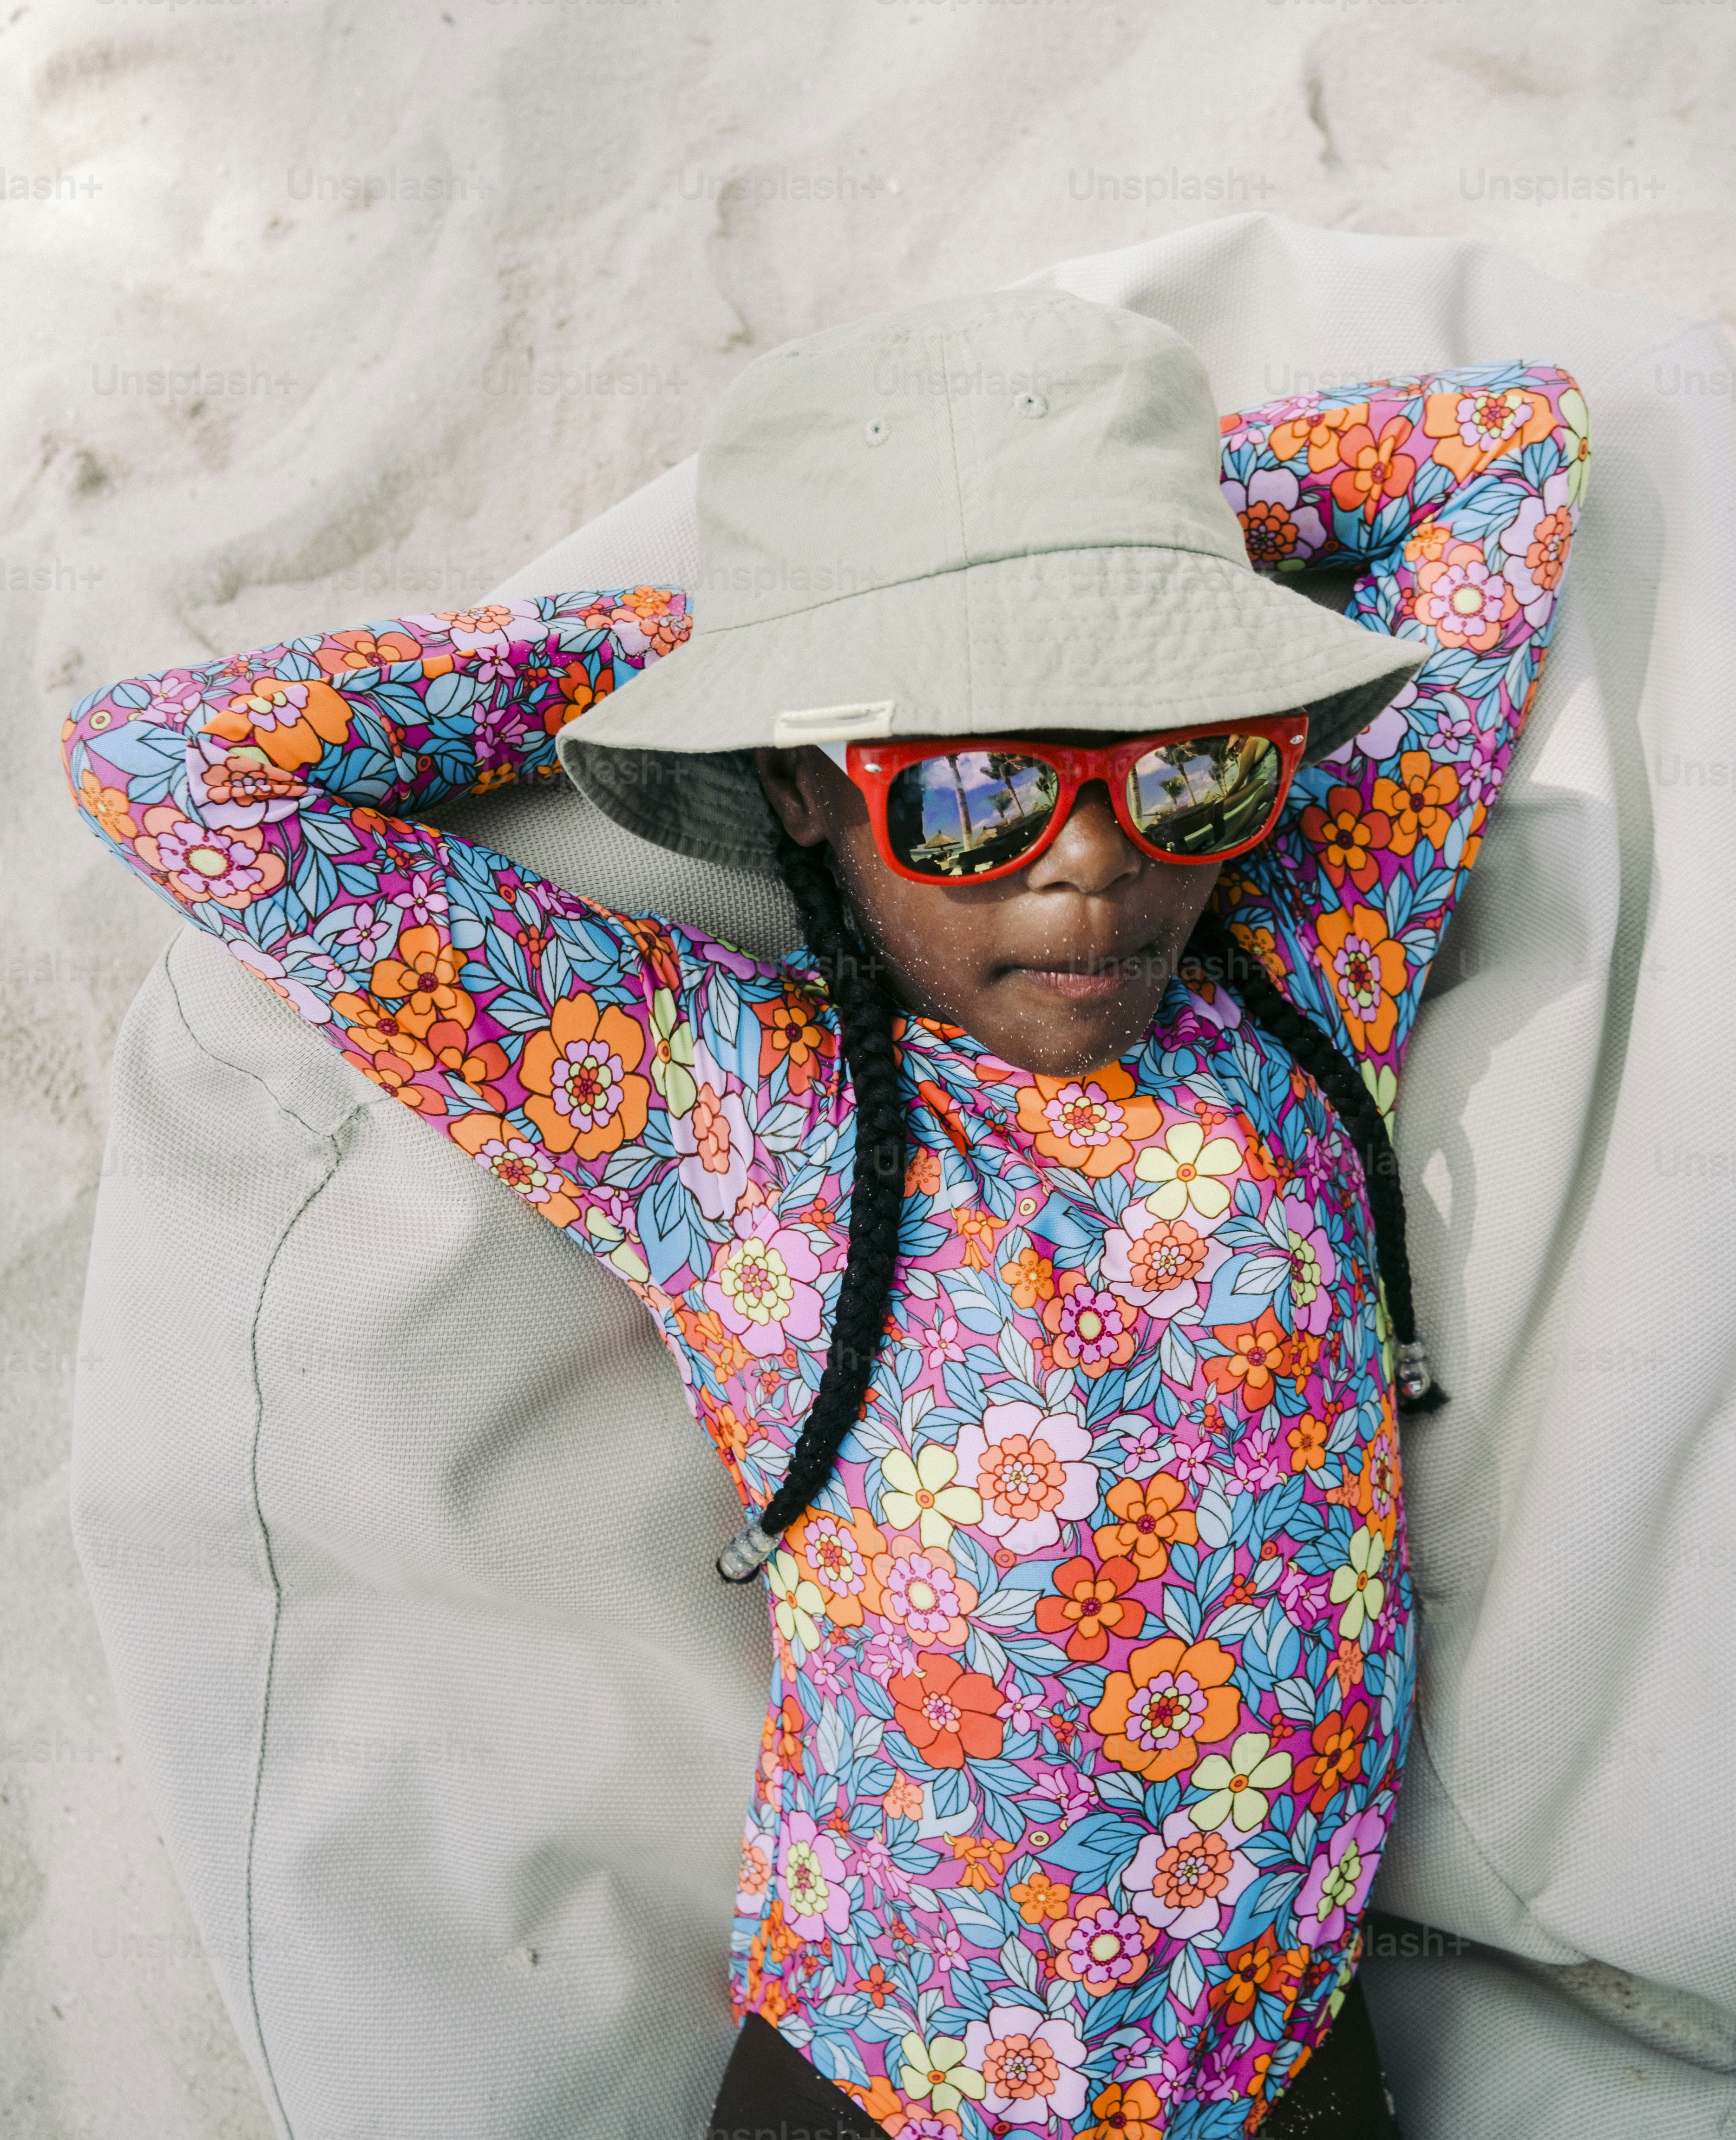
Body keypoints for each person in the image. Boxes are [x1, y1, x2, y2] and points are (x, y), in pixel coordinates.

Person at [60, 289, 1581, 2137]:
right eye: (971, 792)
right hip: (875, 2089)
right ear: (799, 779)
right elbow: (176, 765)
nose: (1095, 863)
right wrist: (762, 643)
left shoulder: (1299, 960)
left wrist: (1112, 555)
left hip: (1280, 2063)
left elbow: (1504, 446)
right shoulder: (708, 1097)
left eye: (1180, 764)